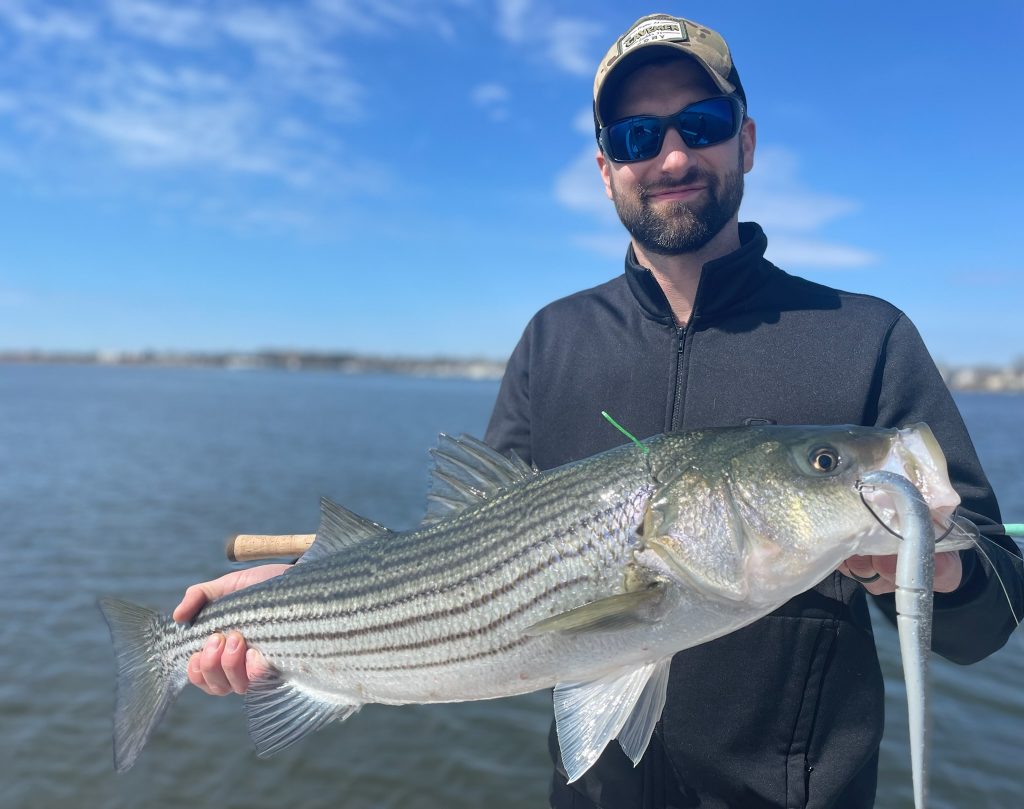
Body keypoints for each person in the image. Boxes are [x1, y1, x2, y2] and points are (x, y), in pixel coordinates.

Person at [174, 13, 1023, 809]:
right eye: (636, 136)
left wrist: (941, 571)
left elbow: (988, 613)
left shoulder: (865, 337)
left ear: (748, 140)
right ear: (607, 168)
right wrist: (303, 598)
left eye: (702, 122)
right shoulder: (553, 340)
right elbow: (465, 544)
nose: (672, 156)